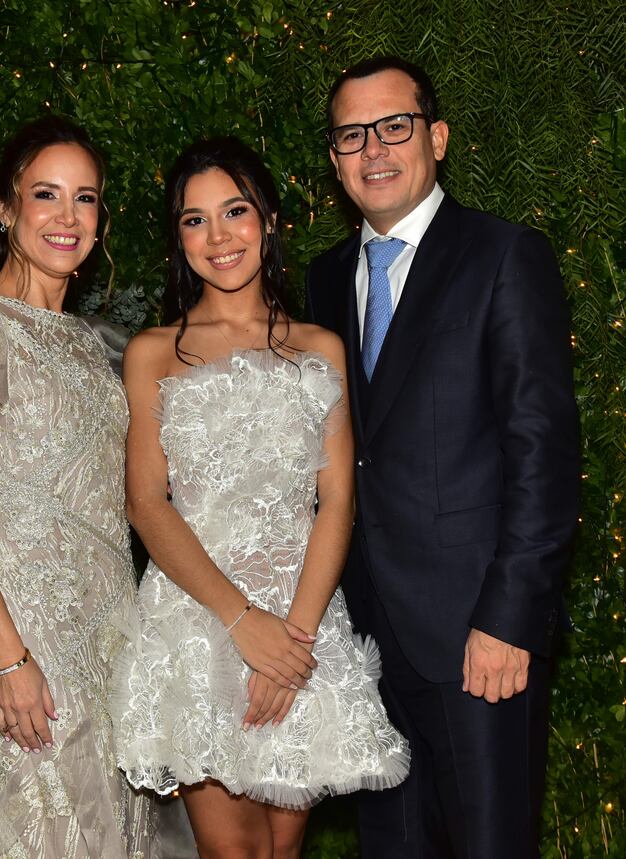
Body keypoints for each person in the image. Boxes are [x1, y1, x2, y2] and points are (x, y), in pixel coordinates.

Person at [305, 56, 579, 858]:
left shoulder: (503, 256)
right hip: (365, 643)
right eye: (352, 135)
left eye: (394, 126)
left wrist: (508, 616)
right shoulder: (323, 280)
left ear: (438, 137)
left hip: (478, 640)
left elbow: (543, 451)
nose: (374, 149)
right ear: (334, 158)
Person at [111, 137, 409, 859]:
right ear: (178, 238)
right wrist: (243, 624)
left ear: (269, 219)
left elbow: (337, 499)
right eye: (194, 219)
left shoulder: (321, 346)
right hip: (200, 622)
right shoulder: (153, 351)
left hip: (301, 623)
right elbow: (147, 502)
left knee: (283, 849)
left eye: (235, 211)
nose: (217, 236)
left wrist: (294, 642)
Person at [0, 116, 156, 858]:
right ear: (6, 207)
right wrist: (6, 658)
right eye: (46, 195)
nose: (68, 217)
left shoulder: (91, 340)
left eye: (86, 199)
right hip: (19, 630)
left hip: (109, 624)